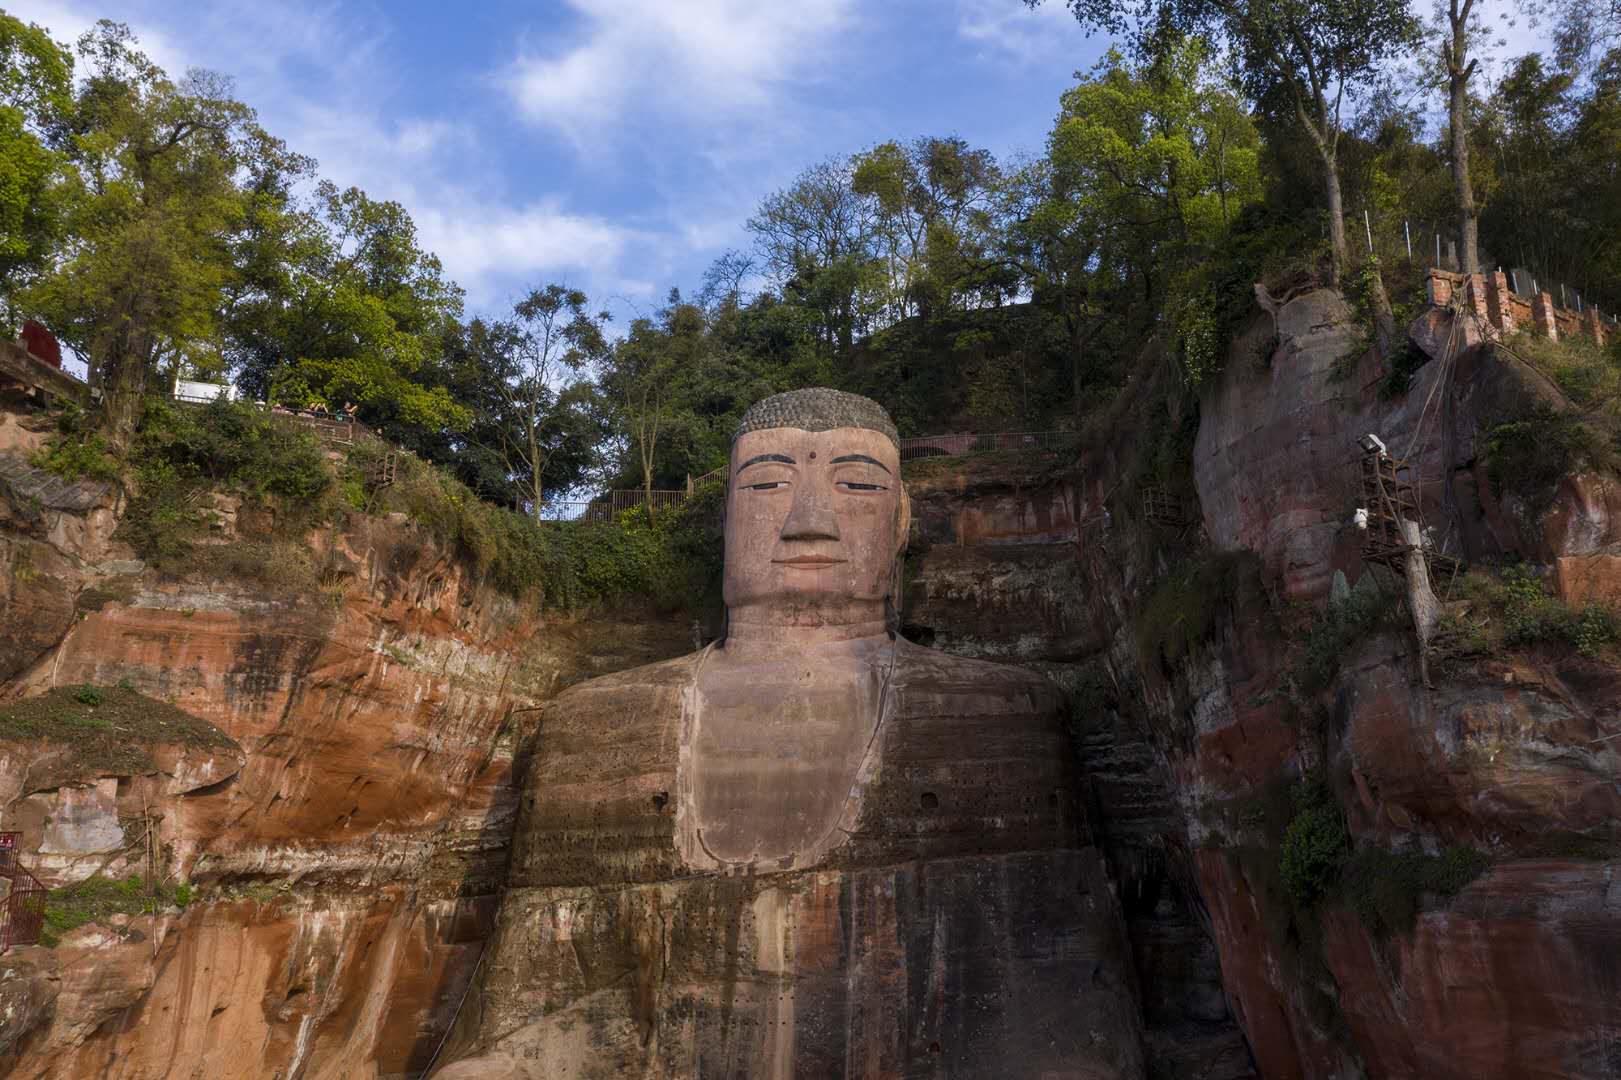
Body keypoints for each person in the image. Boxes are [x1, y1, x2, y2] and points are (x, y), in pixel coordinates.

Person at [434, 389, 1144, 1079]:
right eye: (768, 485)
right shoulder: (598, 720)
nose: (809, 522)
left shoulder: (995, 713)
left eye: (857, 485)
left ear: (902, 521)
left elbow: (1056, 1005)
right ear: (726, 517)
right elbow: (536, 1013)